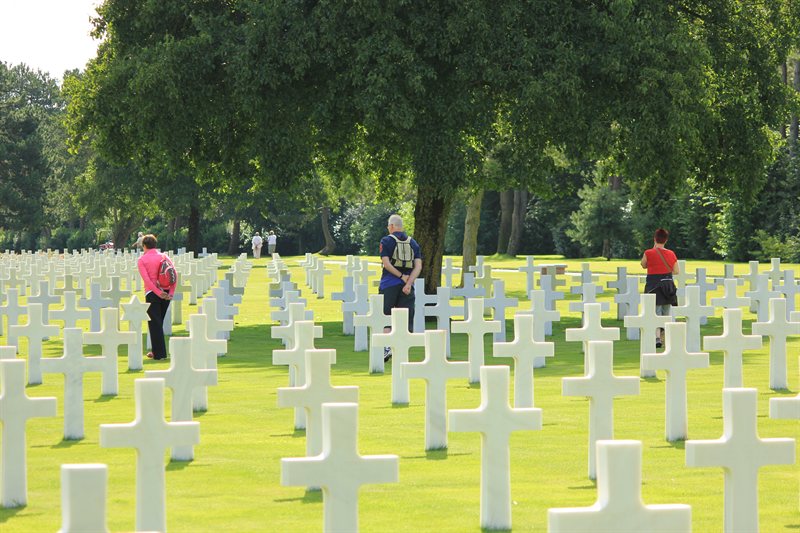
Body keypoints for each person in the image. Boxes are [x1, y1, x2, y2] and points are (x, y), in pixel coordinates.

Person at [378, 214, 422, 361]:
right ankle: (403, 350)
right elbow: (418, 266)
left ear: (391, 227)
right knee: (405, 318)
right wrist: (409, 282)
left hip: (389, 284)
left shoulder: (386, 241)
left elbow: (386, 263)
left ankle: (387, 347)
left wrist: (400, 276)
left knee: (386, 316)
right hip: (407, 287)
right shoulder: (413, 243)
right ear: (401, 226)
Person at [137, 234, 174, 360]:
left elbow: (147, 280)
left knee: (155, 324)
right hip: (166, 292)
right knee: (159, 323)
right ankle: (156, 351)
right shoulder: (164, 256)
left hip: (152, 293)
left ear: (144, 246)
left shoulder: (142, 260)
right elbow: (173, 275)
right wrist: (171, 293)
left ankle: (160, 354)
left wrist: (158, 293)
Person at [641, 228, 680, 349]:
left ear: (655, 239)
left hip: (654, 286)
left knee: (656, 312)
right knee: (666, 313)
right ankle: (666, 337)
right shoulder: (671, 253)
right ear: (666, 240)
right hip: (667, 286)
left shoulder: (648, 253)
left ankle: (657, 337)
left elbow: (643, 265)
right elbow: (676, 271)